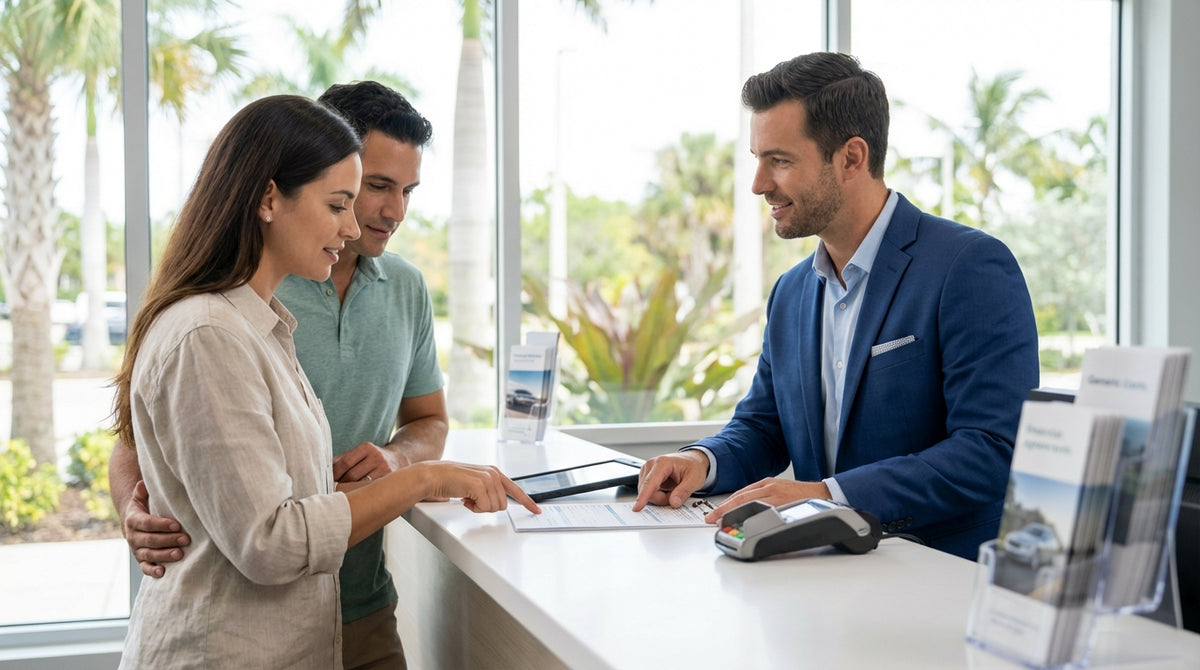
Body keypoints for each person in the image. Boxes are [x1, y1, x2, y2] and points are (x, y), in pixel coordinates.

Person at [111, 94, 539, 669]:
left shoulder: (265, 324)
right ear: (269, 197)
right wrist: (423, 480)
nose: (371, 217)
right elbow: (268, 540)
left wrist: (402, 463)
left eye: (406, 192)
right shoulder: (210, 332)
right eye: (347, 199)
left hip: (327, 617)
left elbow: (304, 493)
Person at [633, 52, 1039, 560]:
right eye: (756, 159)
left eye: (779, 160)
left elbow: (992, 450)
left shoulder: (969, 266)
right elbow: (764, 426)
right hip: (824, 580)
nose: (759, 184)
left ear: (851, 158)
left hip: (941, 579)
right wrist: (701, 458)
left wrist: (827, 497)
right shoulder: (792, 291)